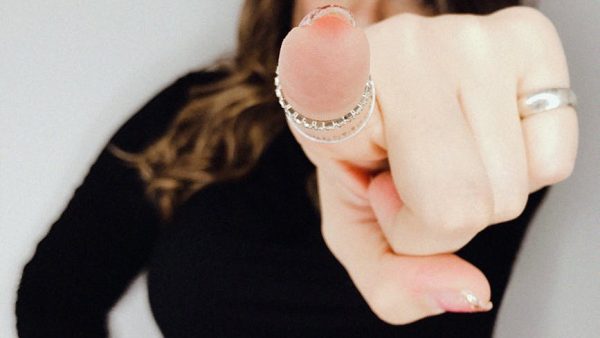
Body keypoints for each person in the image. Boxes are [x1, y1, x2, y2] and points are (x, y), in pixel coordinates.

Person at [16, 0, 578, 337]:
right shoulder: (193, 114)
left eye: (421, 1)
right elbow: (55, 298)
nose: (368, 21)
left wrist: (522, 82)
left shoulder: (493, 142)